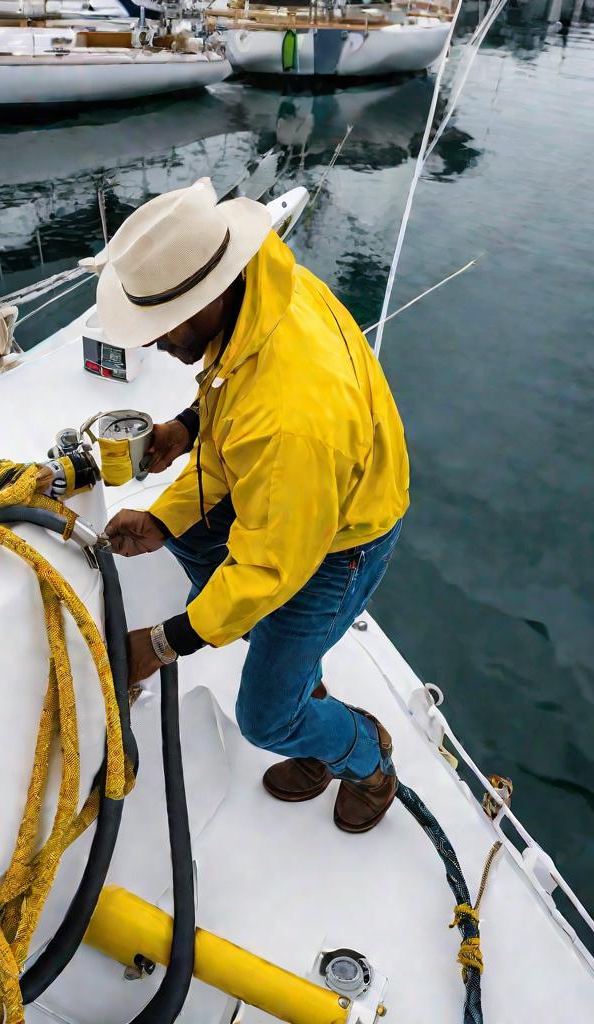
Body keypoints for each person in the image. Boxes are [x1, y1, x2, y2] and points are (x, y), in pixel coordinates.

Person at [98, 179, 410, 833]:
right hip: (303, 495)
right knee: (185, 535)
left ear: (208, 293)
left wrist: (158, 645)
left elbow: (270, 567)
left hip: (339, 539)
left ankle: (364, 755)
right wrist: (183, 439)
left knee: (267, 717)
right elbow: (232, 390)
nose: (154, 343)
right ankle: (303, 689)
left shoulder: (293, 414)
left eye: (162, 325)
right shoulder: (262, 291)